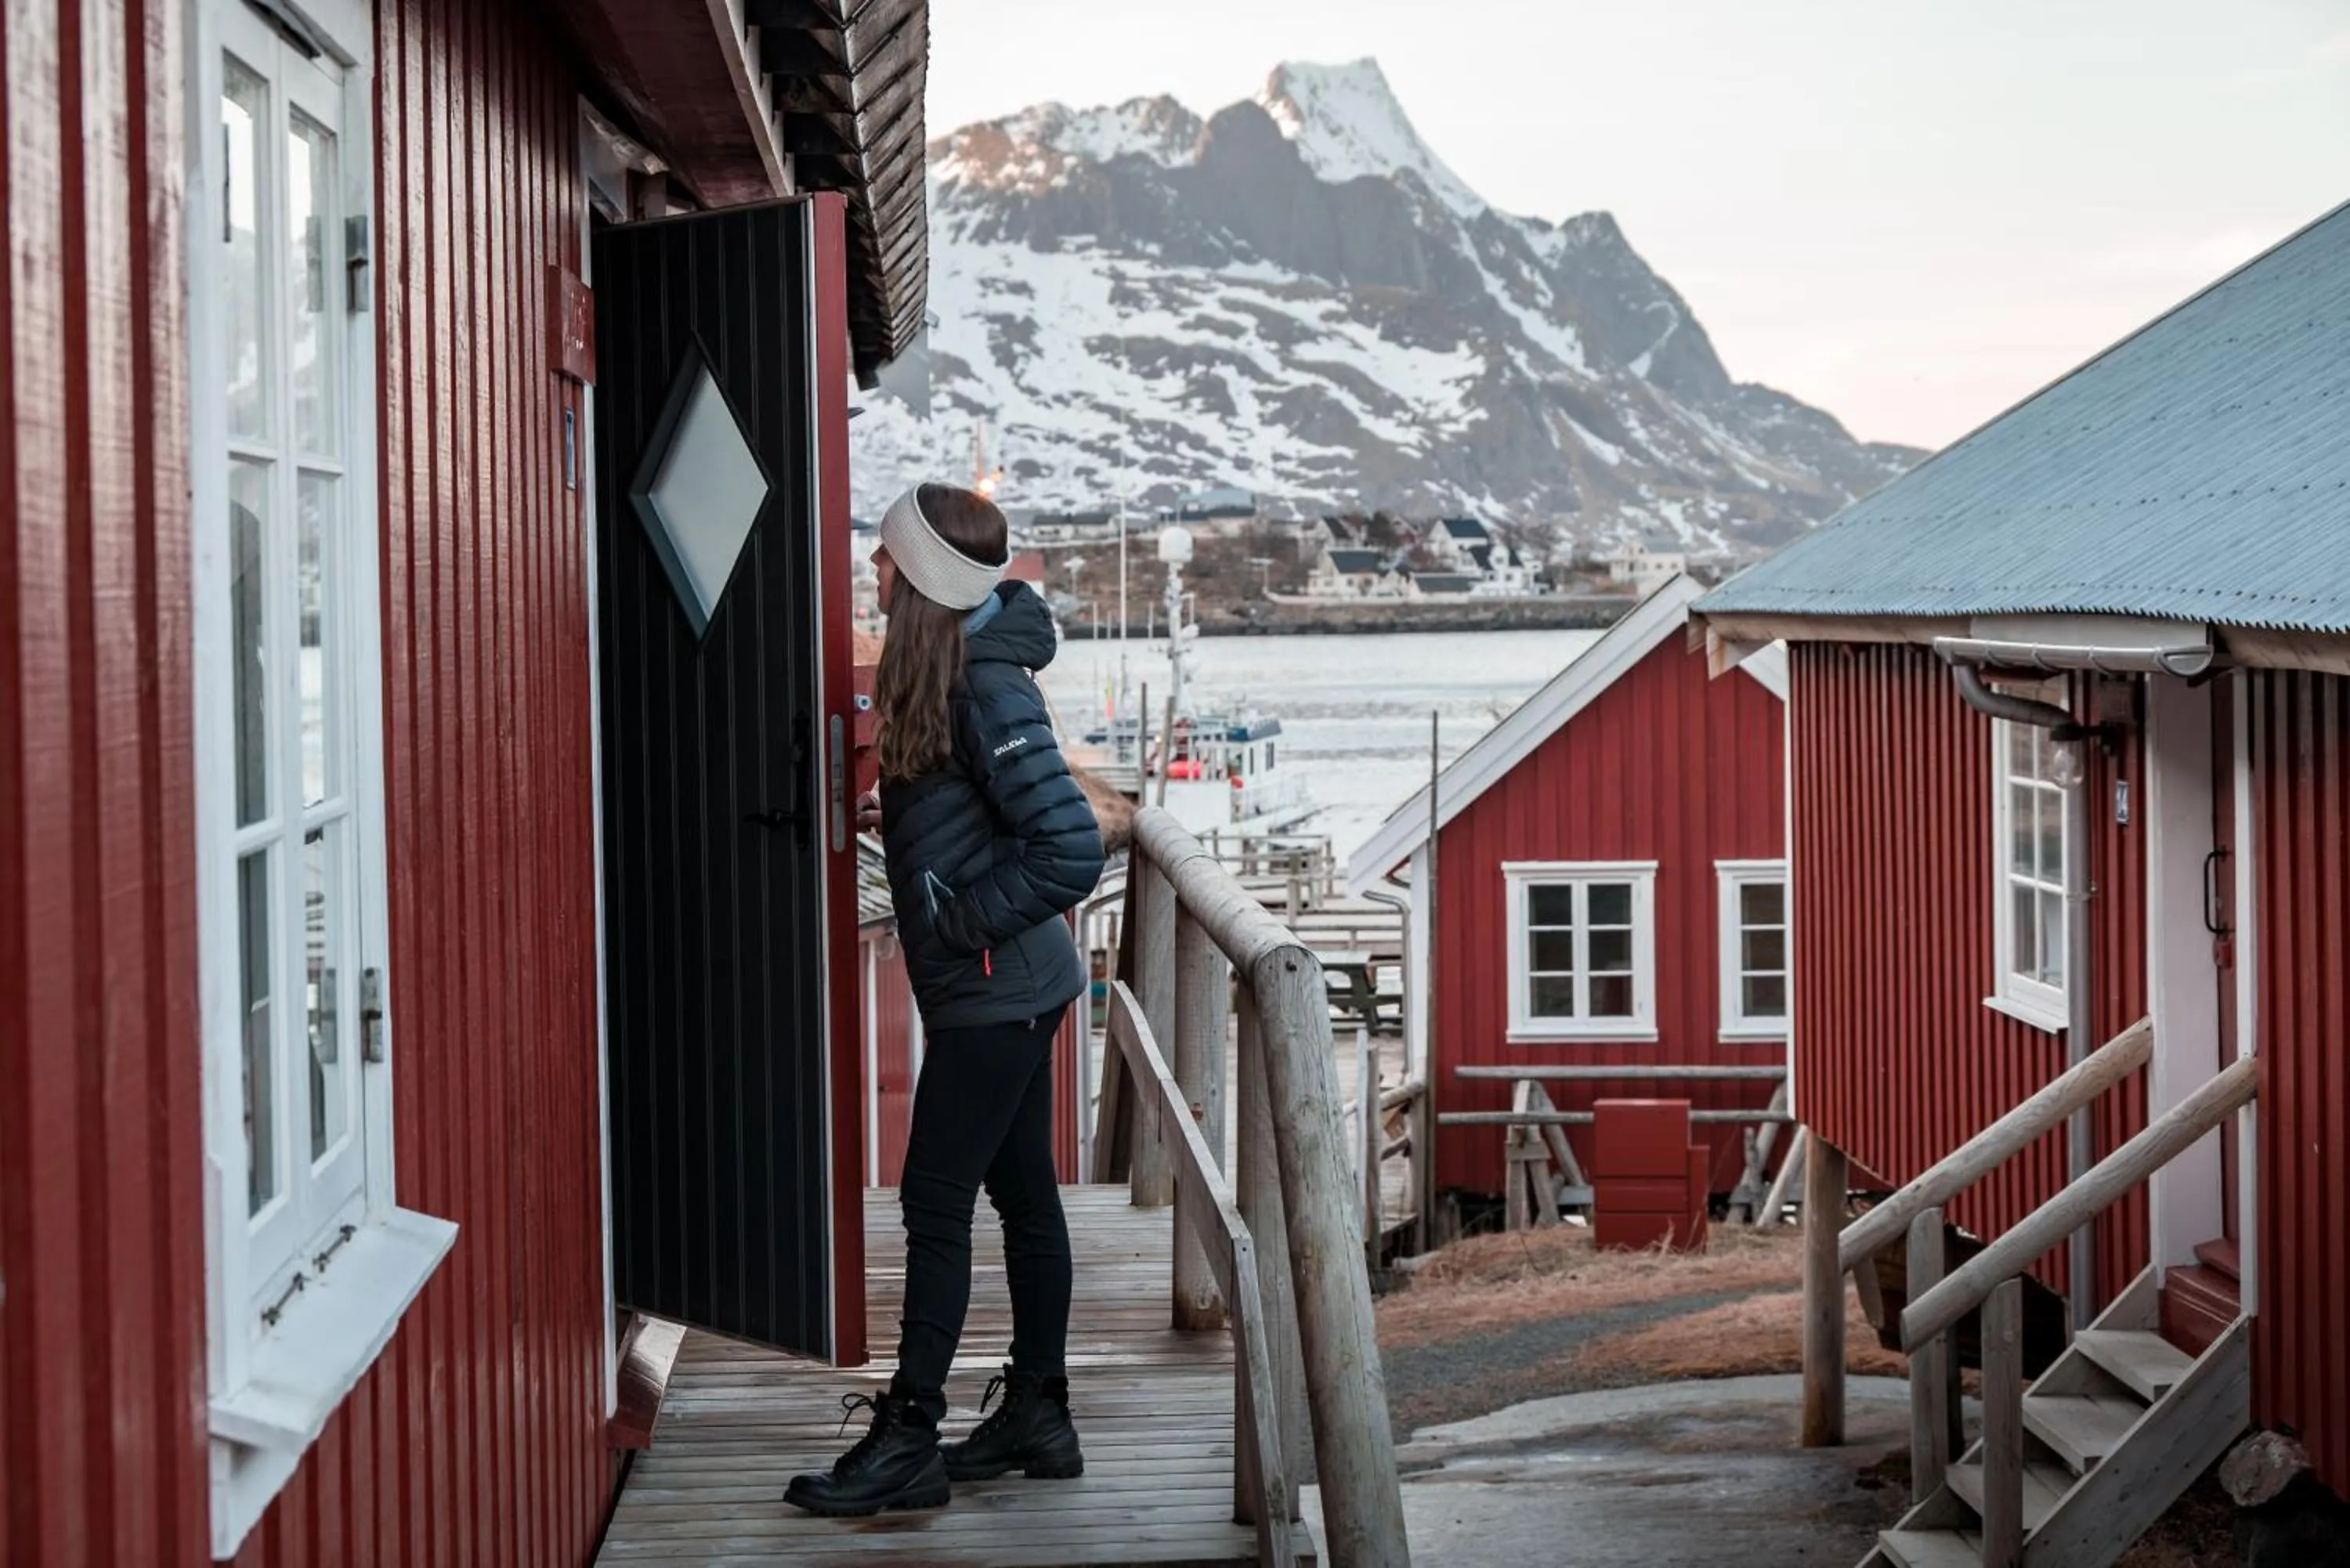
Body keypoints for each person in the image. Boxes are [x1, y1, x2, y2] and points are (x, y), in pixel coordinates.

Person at [786, 483, 1107, 1518]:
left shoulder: (984, 684)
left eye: (883, 561)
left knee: (935, 1204)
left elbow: (1069, 845)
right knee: (1020, 1196)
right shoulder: (957, 673)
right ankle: (1039, 1413)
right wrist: (916, 814)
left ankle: (908, 1434)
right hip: (1006, 985)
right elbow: (988, 803)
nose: (872, 575)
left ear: (919, 577)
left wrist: (962, 918)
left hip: (994, 988)